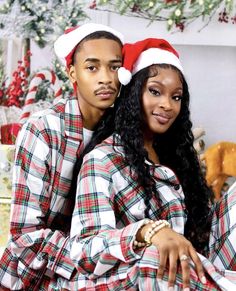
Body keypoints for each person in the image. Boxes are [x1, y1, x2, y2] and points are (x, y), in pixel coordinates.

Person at [70, 38, 236, 290]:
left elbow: (202, 233)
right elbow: (85, 251)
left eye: (176, 97)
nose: (167, 105)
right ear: (133, 93)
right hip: (141, 275)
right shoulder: (102, 160)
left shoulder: (176, 157)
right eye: (155, 91)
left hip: (192, 272)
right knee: (156, 259)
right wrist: (148, 232)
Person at [0, 23, 123, 290]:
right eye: (92, 67)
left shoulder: (125, 133)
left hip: (100, 264)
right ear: (72, 74)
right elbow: (24, 238)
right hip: (34, 273)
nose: (106, 78)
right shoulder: (42, 130)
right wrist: (92, 254)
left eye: (114, 67)